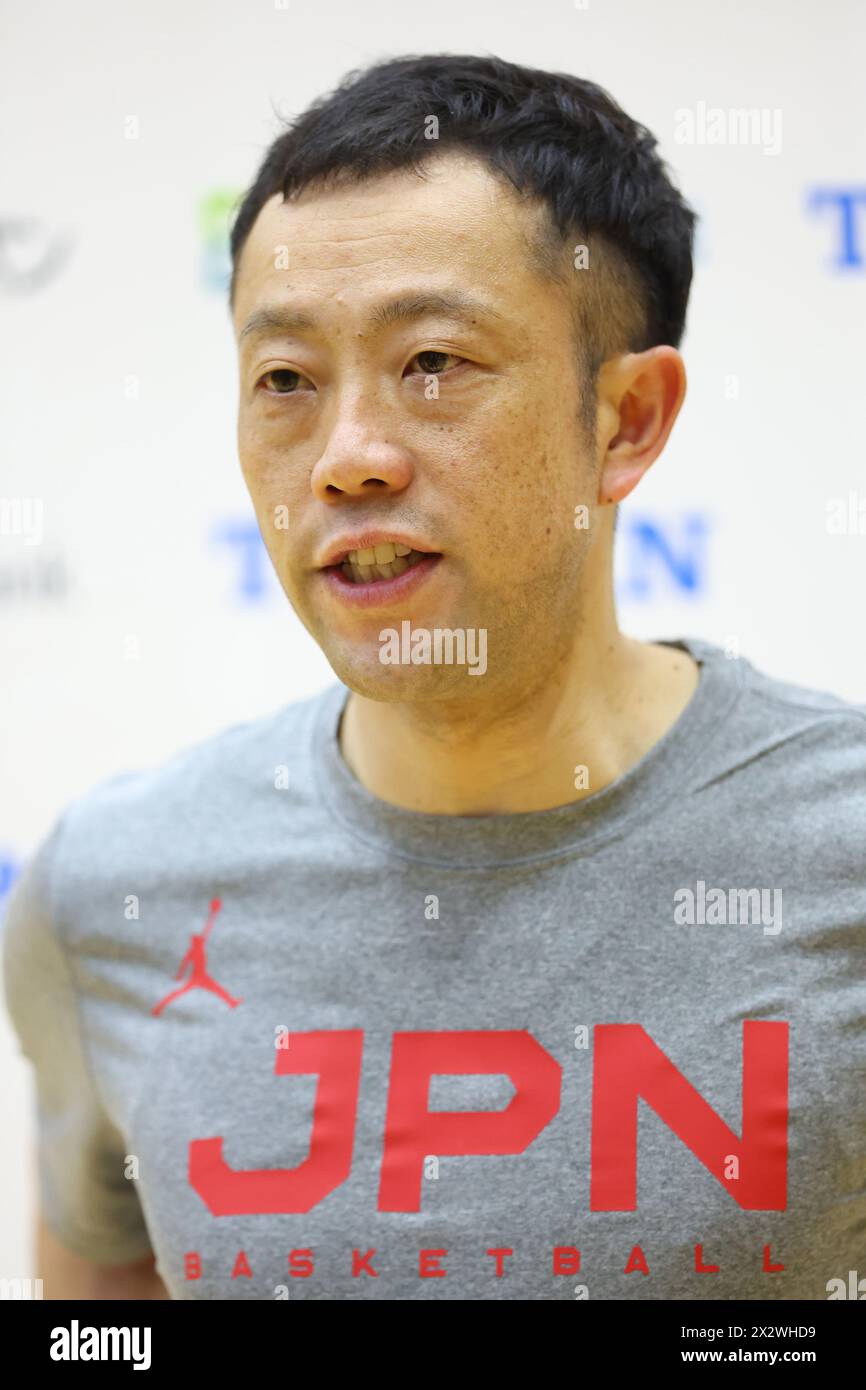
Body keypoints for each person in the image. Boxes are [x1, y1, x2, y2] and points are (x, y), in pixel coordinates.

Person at [3, 54, 864, 1302]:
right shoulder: (112, 890)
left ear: (623, 422)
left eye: (434, 363)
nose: (347, 458)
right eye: (286, 381)